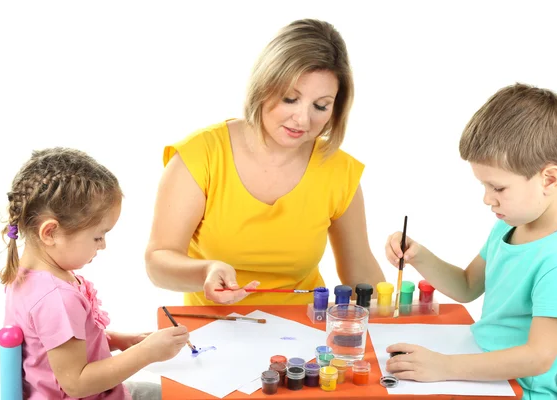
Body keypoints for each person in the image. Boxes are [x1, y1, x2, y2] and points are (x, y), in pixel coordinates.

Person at [145, 18, 385, 306]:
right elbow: (158, 263)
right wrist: (205, 272)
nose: (303, 119)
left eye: (320, 106)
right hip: (212, 329)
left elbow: (361, 275)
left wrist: (400, 312)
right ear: (263, 85)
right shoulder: (201, 156)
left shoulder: (338, 170)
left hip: (304, 328)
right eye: (290, 99)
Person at [384, 83, 557, 399]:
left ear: (549, 179)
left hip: (522, 391)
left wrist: (444, 367)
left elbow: (538, 358)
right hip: (479, 370)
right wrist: (419, 256)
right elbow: (467, 285)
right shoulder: (508, 227)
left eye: (498, 188)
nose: (486, 199)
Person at [1, 148, 190, 400]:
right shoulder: (56, 298)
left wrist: (122, 340)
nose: (102, 245)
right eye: (98, 236)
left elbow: (59, 346)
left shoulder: (29, 275)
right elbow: (76, 384)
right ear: (50, 233)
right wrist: (147, 353)